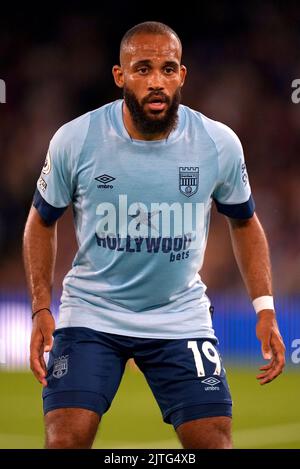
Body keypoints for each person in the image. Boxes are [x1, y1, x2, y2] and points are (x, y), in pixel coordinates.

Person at [23, 21, 285, 449]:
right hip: (92, 312)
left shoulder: (218, 143)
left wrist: (265, 307)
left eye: (168, 68)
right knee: (66, 440)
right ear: (119, 76)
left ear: (182, 75)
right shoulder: (76, 139)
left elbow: (244, 222)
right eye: (142, 69)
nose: (157, 81)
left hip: (179, 315)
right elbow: (40, 221)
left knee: (214, 443)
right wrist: (39, 308)